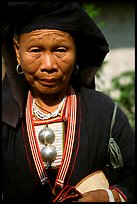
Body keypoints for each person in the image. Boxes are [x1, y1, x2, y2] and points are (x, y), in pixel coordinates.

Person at [2, 2, 135, 203]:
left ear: (77, 52)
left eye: (61, 50)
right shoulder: (4, 119)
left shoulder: (105, 114)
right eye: (36, 50)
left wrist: (108, 196)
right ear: (17, 52)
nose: (49, 65)